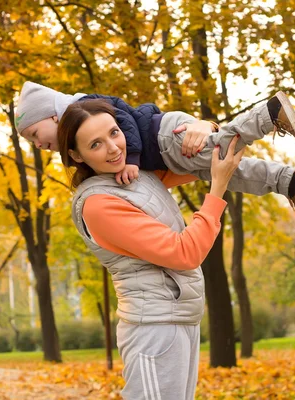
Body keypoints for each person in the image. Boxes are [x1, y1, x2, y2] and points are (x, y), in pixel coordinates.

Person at [58, 99, 245, 400]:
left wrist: (204, 125)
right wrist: (218, 188)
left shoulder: (136, 177)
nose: (113, 148)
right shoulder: (98, 204)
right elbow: (185, 253)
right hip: (154, 330)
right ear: (75, 155)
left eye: (114, 133)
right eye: (96, 144)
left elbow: (206, 160)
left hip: (180, 318)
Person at [17, 81, 295, 228]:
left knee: (220, 149)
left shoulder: (87, 107)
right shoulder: (80, 139)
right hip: (166, 152)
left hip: (164, 138)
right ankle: (289, 182)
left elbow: (127, 123)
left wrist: (131, 161)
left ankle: (269, 113)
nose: (37, 144)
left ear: (53, 117)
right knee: (228, 171)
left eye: (34, 134)